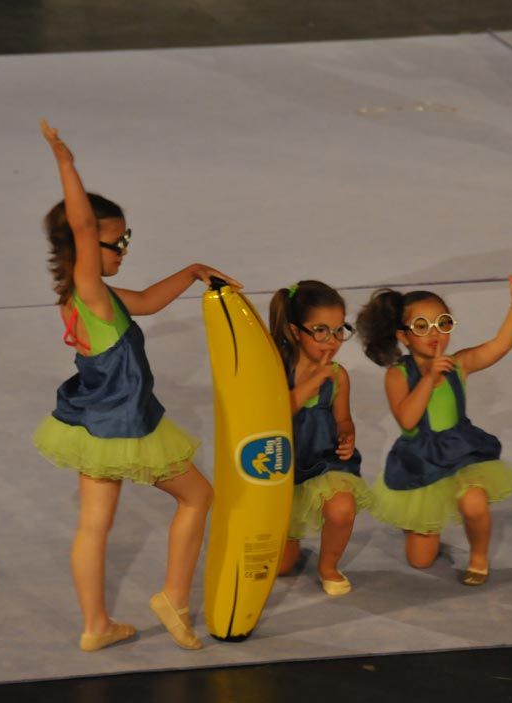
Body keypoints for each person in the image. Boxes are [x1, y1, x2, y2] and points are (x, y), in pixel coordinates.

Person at [33, 120, 239, 650]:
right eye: (116, 241)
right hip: (126, 423)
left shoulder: (91, 297)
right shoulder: (90, 289)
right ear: (83, 244)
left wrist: (192, 271)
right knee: (199, 496)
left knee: (93, 526)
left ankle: (95, 625)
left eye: (127, 239)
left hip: (93, 424)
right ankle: (174, 597)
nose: (124, 249)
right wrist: (65, 161)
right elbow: (82, 225)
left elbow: (146, 300)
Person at [355, 263, 512, 584]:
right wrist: (428, 378)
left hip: (459, 451)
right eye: (422, 326)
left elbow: (499, 345)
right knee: (420, 561)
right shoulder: (397, 375)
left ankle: (479, 555)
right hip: (420, 458)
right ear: (403, 336)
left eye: (442, 323)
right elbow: (408, 420)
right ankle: (420, 524)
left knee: (474, 503)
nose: (435, 333)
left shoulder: (459, 364)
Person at [268, 280, 373, 596]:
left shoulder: (338, 376)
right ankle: (288, 536)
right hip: (279, 466)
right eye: (320, 330)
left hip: (323, 463)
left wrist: (347, 435)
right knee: (281, 566)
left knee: (342, 508)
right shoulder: (274, 367)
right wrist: (314, 381)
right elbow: (275, 413)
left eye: (339, 330)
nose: (332, 340)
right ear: (294, 331)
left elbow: (343, 419)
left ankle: (329, 566)